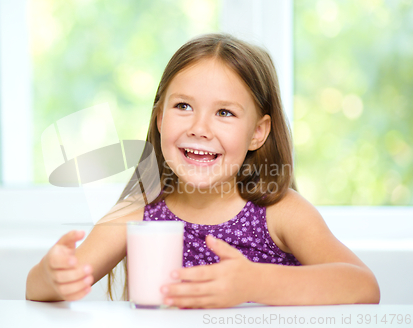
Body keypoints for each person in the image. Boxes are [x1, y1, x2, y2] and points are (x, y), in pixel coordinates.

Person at [26, 33, 380, 308]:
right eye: (183, 106)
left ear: (258, 132)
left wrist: (255, 283)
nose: (200, 127)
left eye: (224, 113)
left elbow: (364, 287)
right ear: (160, 119)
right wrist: (52, 277)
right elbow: (40, 290)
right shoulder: (139, 210)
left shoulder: (280, 212)